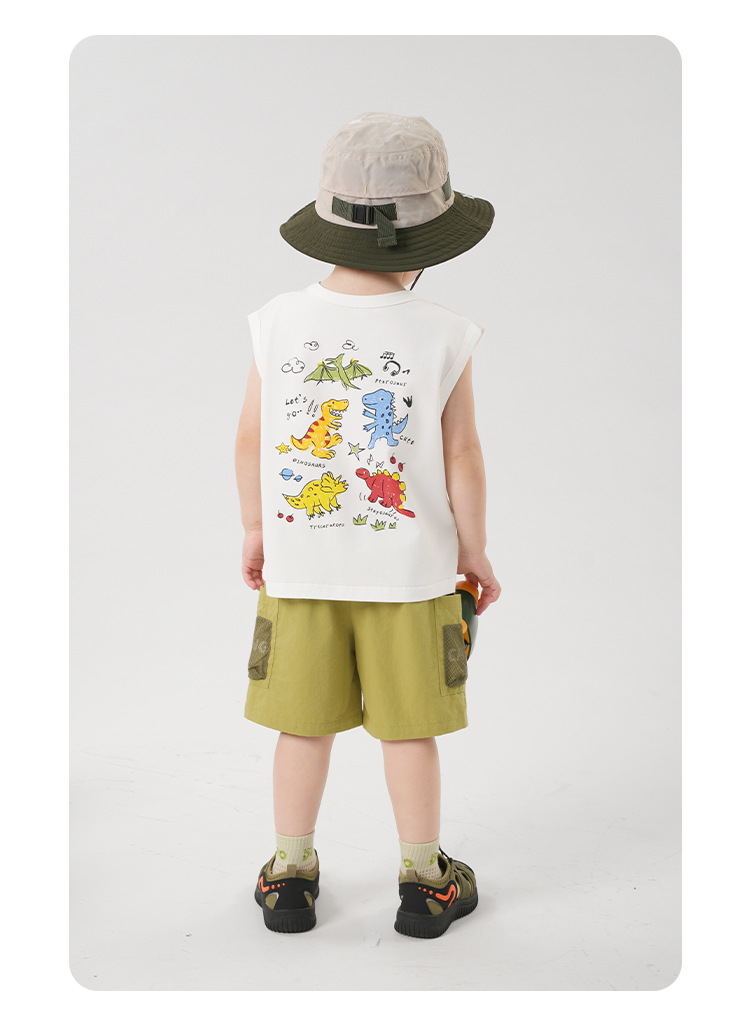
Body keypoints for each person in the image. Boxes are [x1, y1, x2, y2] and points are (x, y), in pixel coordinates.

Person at [235, 112, 501, 938]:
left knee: (302, 727)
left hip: (300, 571)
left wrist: (256, 529)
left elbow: (250, 438)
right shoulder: (443, 332)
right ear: (426, 241)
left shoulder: (278, 319)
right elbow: (462, 455)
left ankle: (289, 875)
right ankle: (425, 881)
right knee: (409, 731)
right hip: (412, 579)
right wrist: (474, 550)